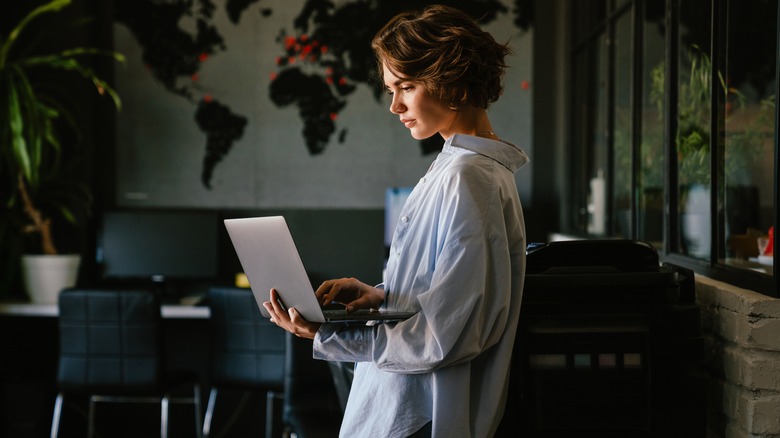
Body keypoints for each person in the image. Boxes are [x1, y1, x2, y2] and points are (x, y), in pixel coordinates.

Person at [264, 4, 528, 437]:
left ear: (452, 81)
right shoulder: (459, 168)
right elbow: (452, 290)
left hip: (424, 414)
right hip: (410, 406)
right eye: (391, 89)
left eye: (405, 87)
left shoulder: (470, 177)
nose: (394, 105)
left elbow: (447, 334)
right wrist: (383, 295)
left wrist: (323, 336)